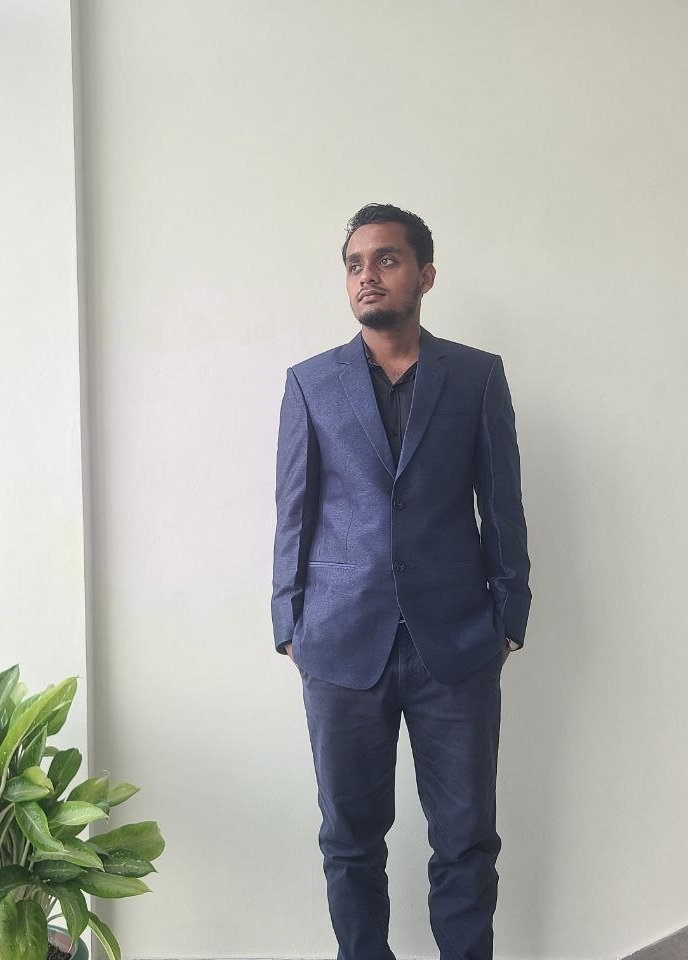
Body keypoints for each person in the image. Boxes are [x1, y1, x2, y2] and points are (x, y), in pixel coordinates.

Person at [271, 203, 531, 960]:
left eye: (386, 260)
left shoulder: (476, 377)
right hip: (340, 645)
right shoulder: (311, 384)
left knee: (466, 839)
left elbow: (501, 503)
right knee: (349, 840)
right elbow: (294, 512)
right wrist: (288, 625)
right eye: (355, 264)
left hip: (457, 644)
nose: (367, 276)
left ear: (425, 274)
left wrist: (508, 618)